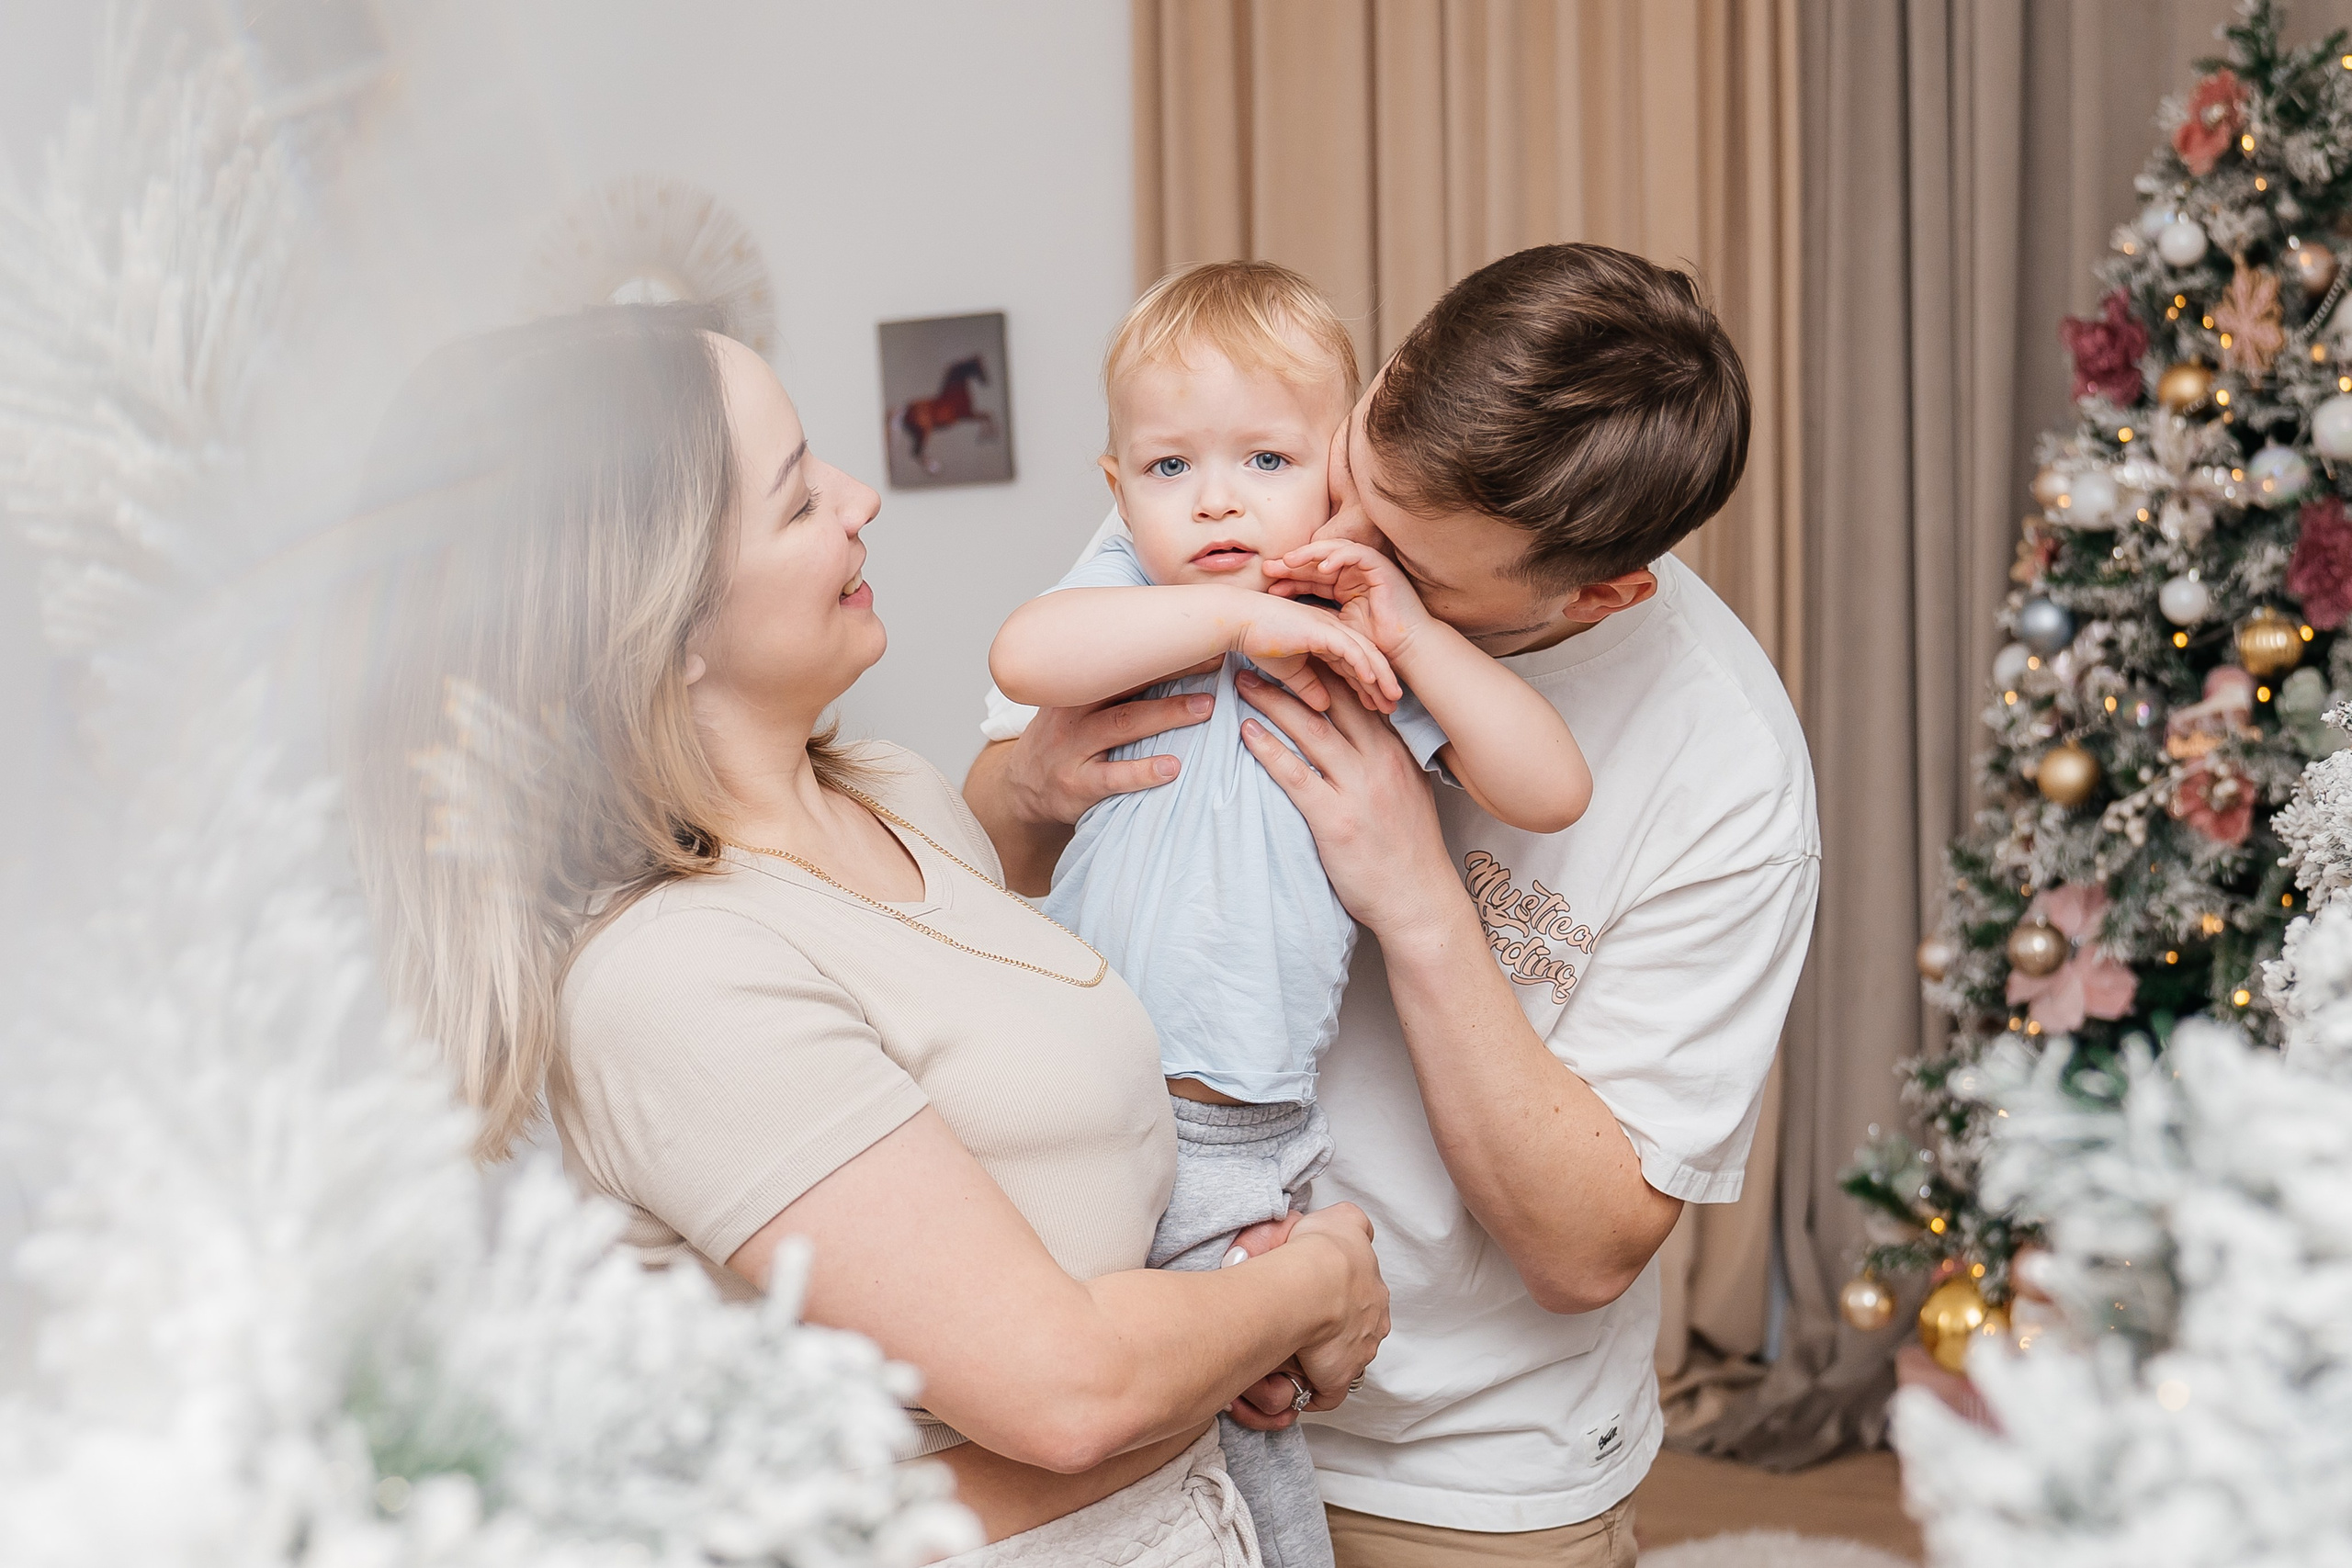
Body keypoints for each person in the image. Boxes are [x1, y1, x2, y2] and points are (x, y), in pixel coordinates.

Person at [339, 304, 1390, 1565]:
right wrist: (1309, 1288)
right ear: (666, 626)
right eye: (798, 501)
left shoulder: (898, 796)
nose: (862, 498)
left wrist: (1219, 1332)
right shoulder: (675, 976)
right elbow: (1068, 1393)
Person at [967, 244, 1820, 1567]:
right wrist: (1029, 782)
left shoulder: (1727, 774)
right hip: (1137, 1300)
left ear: (1598, 593)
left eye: (1417, 562)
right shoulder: (1221, 520)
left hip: (1460, 1467)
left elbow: (1587, 1251)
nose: (1342, 545)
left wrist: (1417, 893)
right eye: (1354, 474)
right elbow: (991, 832)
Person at [989, 262, 1590, 1568]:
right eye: (1169, 468)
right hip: (1061, 1080)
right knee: (1052, 1403)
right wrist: (1230, 612)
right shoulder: (1135, 592)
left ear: (1339, 475)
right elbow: (1022, 656)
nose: (1213, 498)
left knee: (1241, 1423)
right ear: (1118, 490)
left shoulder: (1350, 622)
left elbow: (1549, 786)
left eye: (1265, 459)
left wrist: (1409, 636)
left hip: (1224, 1115)